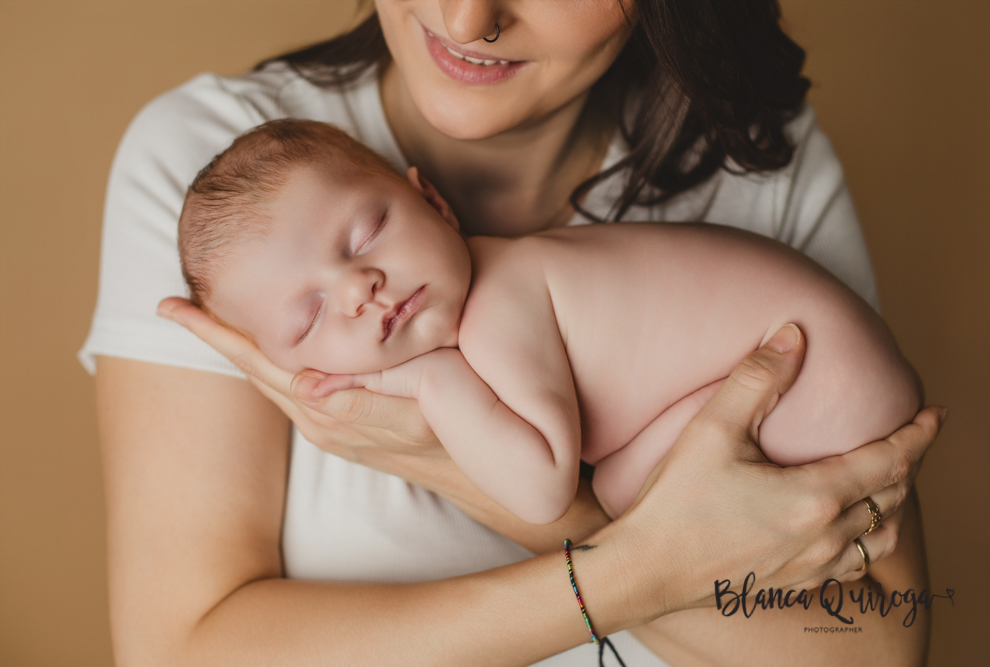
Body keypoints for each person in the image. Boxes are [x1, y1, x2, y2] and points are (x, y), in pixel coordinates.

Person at [83, 2, 944, 665]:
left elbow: (874, 646)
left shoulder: (763, 163)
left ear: (429, 200)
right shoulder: (215, 193)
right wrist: (655, 564)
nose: (467, 20)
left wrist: (427, 442)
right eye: (307, 319)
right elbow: (183, 650)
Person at [177, 118, 921, 523]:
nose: (358, 288)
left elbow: (541, 493)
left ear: (432, 202)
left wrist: (434, 381)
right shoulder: (509, 276)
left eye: (366, 234)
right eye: (309, 316)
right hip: (825, 361)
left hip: (819, 372)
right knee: (636, 493)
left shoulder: (502, 301)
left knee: (625, 503)